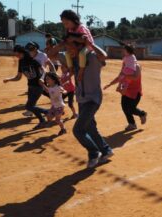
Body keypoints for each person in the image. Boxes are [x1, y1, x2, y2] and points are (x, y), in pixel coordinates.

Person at [65, 36, 113, 168]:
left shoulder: (91, 57)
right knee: (90, 127)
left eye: (71, 47)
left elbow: (104, 56)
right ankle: (106, 150)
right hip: (81, 99)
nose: (68, 50)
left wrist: (89, 44)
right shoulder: (74, 60)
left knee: (78, 130)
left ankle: (93, 152)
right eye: (67, 48)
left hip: (92, 99)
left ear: (80, 46)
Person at [3, 45, 48, 129]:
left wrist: (42, 79)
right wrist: (9, 79)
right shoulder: (21, 62)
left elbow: (44, 70)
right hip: (30, 86)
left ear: (22, 52)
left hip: (38, 86)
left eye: (17, 54)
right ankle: (42, 120)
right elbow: (18, 77)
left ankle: (48, 112)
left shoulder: (32, 60)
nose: (16, 56)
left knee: (29, 106)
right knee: (31, 106)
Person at [104, 61, 147, 131]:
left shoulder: (136, 67)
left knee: (130, 109)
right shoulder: (125, 67)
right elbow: (119, 77)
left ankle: (142, 114)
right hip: (127, 92)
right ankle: (132, 124)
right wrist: (110, 84)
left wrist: (119, 89)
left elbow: (133, 78)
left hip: (135, 92)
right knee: (125, 108)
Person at [60, 10, 94, 83]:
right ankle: (71, 69)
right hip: (79, 46)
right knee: (66, 53)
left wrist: (74, 38)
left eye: (67, 23)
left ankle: (81, 71)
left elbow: (84, 40)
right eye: (64, 24)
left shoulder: (81, 27)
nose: (65, 25)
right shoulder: (70, 29)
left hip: (88, 45)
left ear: (73, 20)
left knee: (82, 54)